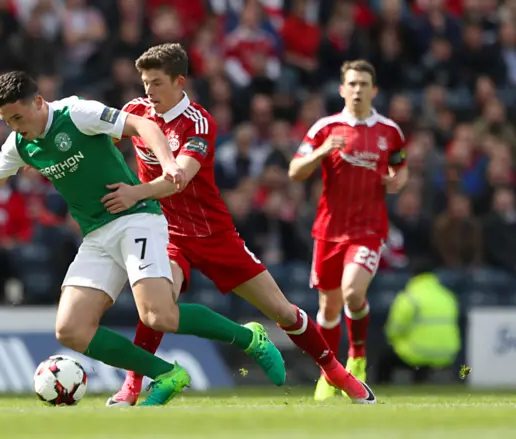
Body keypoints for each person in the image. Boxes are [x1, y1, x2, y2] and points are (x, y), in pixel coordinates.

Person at [0, 71, 287, 406]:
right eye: (5, 120)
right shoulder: (19, 144)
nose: (14, 126)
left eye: (17, 117)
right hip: (96, 235)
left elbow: (145, 126)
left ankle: (250, 338)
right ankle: (167, 373)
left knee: (158, 315)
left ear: (39, 102)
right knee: (70, 329)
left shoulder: (77, 114)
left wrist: (169, 163)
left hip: (136, 220)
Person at [101, 43, 375, 406]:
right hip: (163, 231)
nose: (148, 92)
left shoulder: (198, 122)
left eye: (156, 83)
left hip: (213, 233)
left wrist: (135, 192)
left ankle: (335, 372)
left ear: (179, 81)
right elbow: (98, 137)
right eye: (145, 83)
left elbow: (179, 178)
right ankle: (133, 383)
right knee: (155, 308)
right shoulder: (136, 111)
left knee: (283, 311)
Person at [288, 59, 408, 400]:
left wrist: (397, 182)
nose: (357, 90)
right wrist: (323, 152)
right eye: (352, 84)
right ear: (342, 89)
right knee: (328, 308)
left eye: (363, 84)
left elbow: (401, 167)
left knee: (353, 293)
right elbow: (295, 171)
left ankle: (357, 357)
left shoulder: (389, 131)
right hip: (328, 230)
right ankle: (331, 374)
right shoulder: (324, 129)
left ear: (374, 90)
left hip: (368, 229)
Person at [377, 258, 461, 384]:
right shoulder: (448, 296)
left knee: (385, 360)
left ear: (413, 275)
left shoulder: (409, 297)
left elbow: (393, 330)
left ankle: (382, 390)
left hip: (417, 352)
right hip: (446, 353)